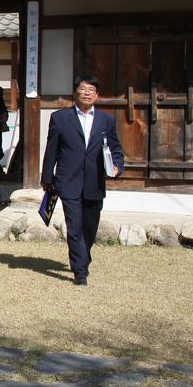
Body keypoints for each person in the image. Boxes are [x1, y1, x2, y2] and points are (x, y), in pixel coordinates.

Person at [41, 74, 125, 286]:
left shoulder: (107, 120)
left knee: (90, 226)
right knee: (74, 226)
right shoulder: (60, 118)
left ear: (97, 95)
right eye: (83, 89)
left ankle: (83, 258)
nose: (86, 93)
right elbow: (51, 150)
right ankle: (80, 271)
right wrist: (47, 178)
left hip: (95, 181)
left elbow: (115, 148)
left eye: (91, 90)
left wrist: (117, 166)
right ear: (75, 92)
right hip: (68, 181)